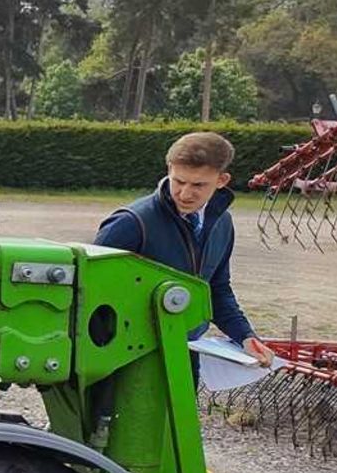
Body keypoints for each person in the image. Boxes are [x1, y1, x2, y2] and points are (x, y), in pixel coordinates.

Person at [93, 131, 272, 366]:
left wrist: (245, 336)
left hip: (186, 355)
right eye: (179, 181)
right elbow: (91, 293)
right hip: (130, 358)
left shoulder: (222, 224)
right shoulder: (131, 223)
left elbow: (215, 290)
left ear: (222, 180)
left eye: (198, 185)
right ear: (169, 169)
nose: (186, 194)